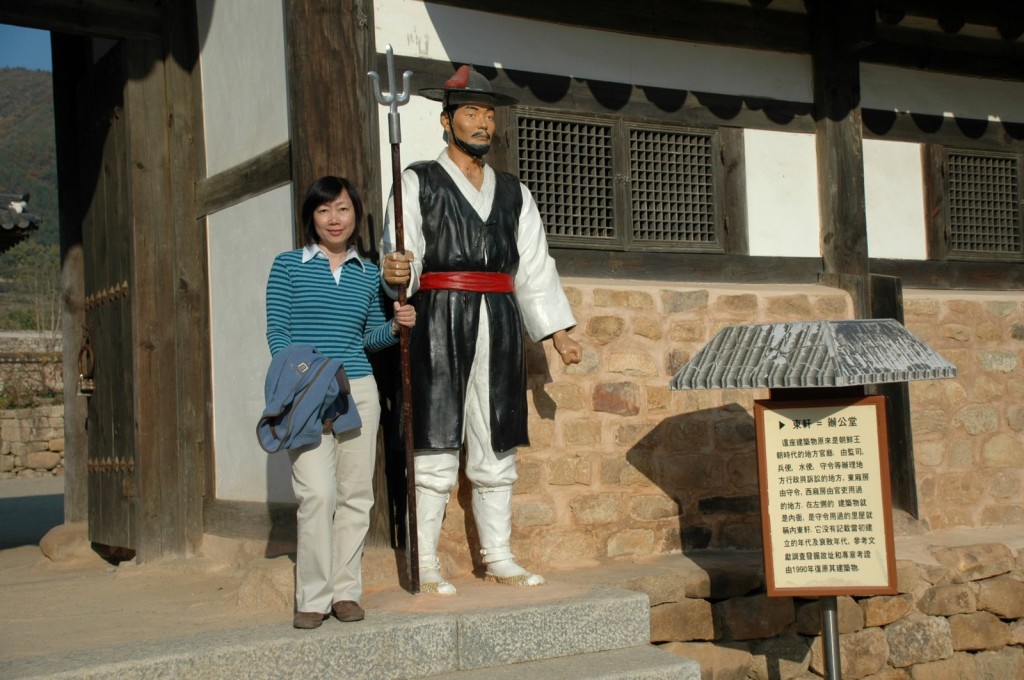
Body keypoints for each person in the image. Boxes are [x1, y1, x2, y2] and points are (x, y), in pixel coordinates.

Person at [382, 66, 582, 596]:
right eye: (471, 113)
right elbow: (403, 252)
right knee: (435, 440)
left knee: (496, 439)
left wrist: (556, 331)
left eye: (489, 115)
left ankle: (498, 555)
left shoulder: (513, 192)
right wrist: (396, 271)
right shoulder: (418, 181)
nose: (482, 124)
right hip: (439, 319)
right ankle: (426, 560)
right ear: (446, 120)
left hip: (500, 317)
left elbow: (534, 265)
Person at [266, 176, 416, 628]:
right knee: (317, 493)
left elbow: (367, 338)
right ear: (311, 217)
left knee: (355, 495)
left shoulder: (367, 273)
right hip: (307, 392)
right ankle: (312, 597)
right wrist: (303, 382)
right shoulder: (288, 266)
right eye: (324, 210)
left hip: (359, 391)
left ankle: (345, 592)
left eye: (343, 209)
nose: (335, 219)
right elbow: (278, 334)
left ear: (356, 216)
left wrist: (396, 327)